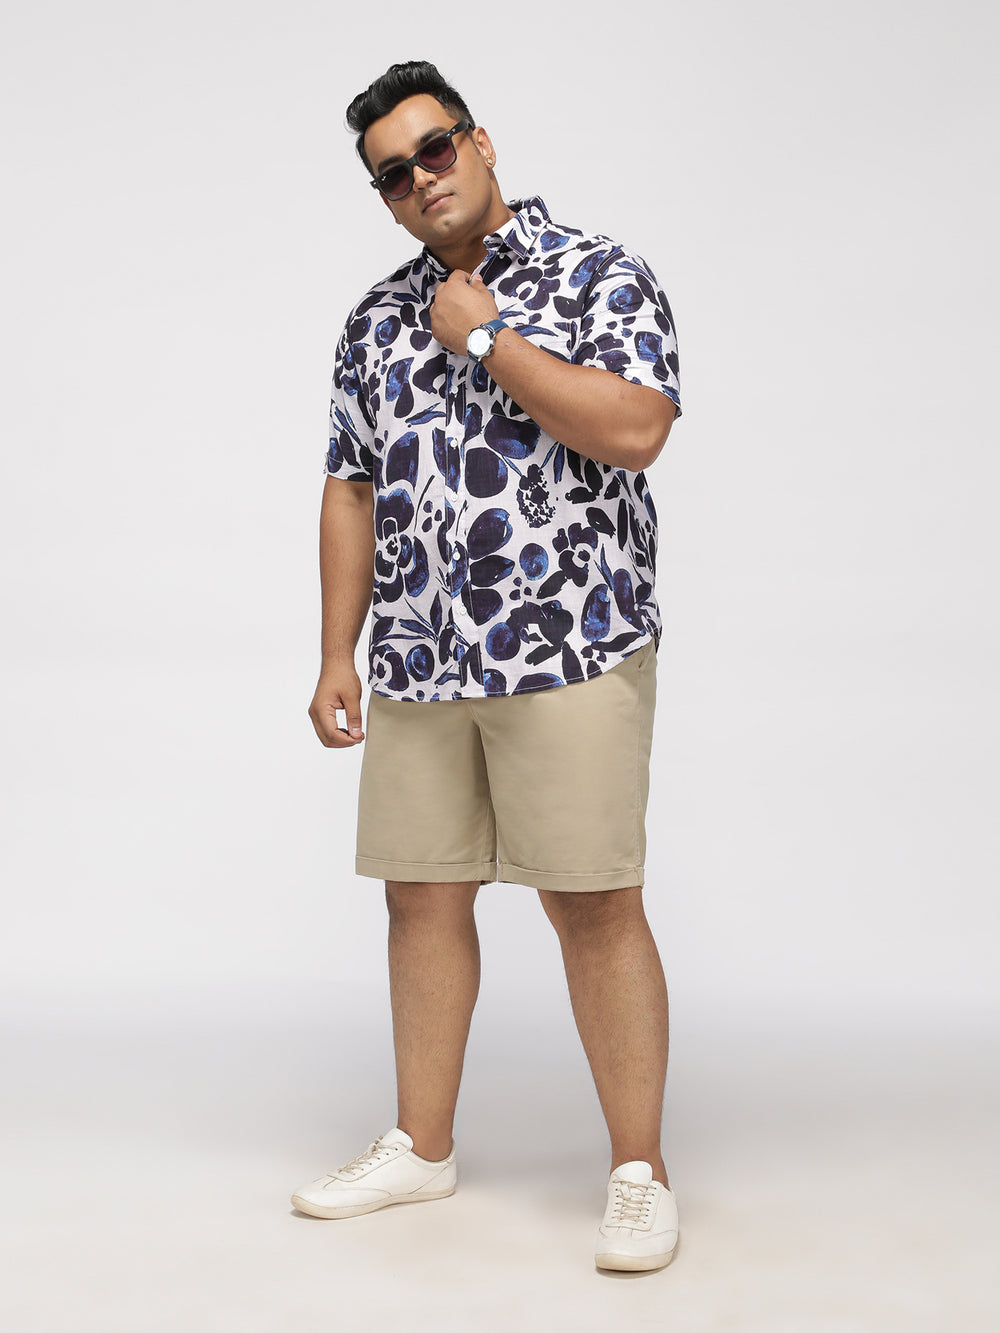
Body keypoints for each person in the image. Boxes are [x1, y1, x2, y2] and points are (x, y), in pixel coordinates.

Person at [291, 60, 684, 1273]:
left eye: (434, 148)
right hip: (421, 655)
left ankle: (638, 1172)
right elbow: (350, 485)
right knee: (419, 895)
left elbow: (636, 429)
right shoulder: (373, 319)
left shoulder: (597, 272)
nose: (420, 179)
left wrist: (487, 338)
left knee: (592, 901)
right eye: (391, 175)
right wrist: (337, 651)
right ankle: (422, 1144)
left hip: (571, 645)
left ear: (480, 141)